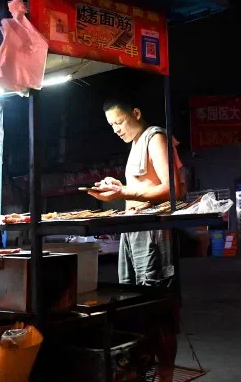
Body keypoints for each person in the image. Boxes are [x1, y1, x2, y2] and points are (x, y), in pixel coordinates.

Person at [88, 96, 184, 378]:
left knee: (157, 305)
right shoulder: (135, 145)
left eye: (119, 121)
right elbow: (141, 189)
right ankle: (144, 371)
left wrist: (123, 194)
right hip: (133, 234)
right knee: (135, 305)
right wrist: (120, 189)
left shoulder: (155, 137)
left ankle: (165, 375)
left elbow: (173, 189)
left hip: (153, 236)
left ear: (136, 112)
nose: (116, 129)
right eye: (111, 125)